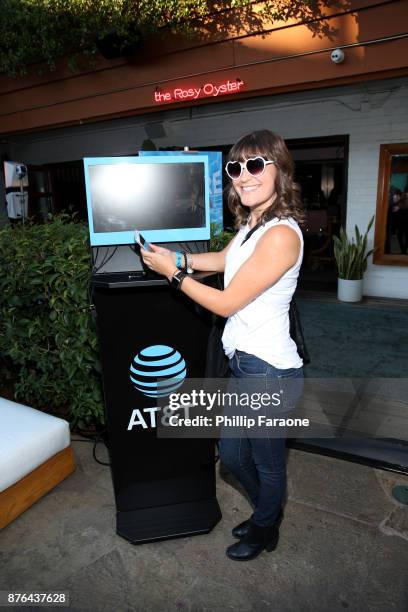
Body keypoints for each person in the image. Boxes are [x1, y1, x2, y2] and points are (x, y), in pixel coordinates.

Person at [141, 129, 305, 561]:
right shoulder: (255, 223)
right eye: (236, 168)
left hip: (268, 370)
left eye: (255, 165)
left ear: (279, 170)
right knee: (232, 456)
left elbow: (227, 300)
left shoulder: (282, 235)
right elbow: (221, 262)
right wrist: (178, 258)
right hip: (245, 365)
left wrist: (171, 276)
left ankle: (265, 525)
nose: (243, 176)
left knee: (268, 465)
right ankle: (266, 514)